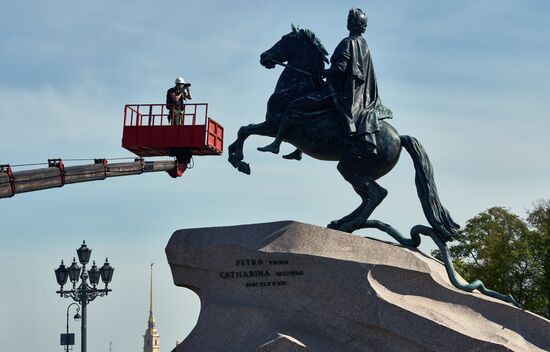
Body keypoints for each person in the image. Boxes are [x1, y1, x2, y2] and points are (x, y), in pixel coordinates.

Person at [258, 8, 391, 155]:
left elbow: (340, 68)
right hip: (357, 95)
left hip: (340, 93)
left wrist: (321, 72)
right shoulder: (364, 45)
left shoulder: (347, 43)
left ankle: (276, 144)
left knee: (292, 107)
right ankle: (299, 150)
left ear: (350, 24)